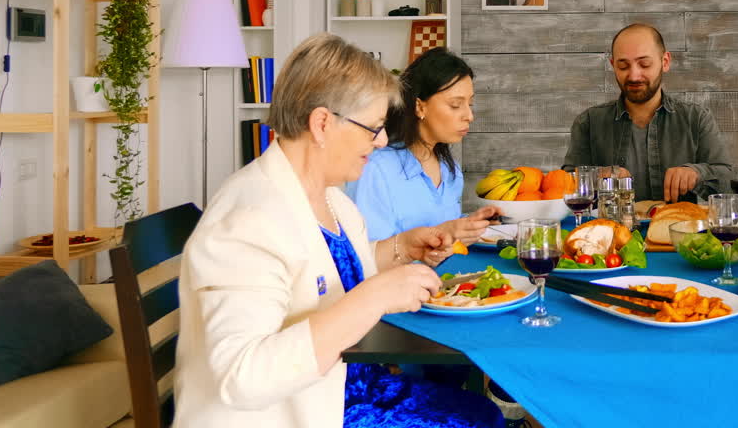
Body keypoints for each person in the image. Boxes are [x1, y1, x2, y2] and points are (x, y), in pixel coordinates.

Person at [174, 33, 503, 428]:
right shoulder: (250, 218)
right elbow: (241, 377)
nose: (381, 141)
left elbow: (334, 271)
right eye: (373, 128)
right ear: (323, 123)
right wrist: (374, 298)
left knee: (479, 410)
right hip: (298, 410)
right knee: (476, 419)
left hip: (342, 386)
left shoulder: (332, 199)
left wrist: (401, 248)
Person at [563, 23, 734, 202]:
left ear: (665, 62)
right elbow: (563, 184)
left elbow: (728, 182)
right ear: (613, 65)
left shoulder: (696, 118)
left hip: (679, 228)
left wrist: (696, 173)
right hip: (612, 229)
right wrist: (599, 175)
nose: (634, 76)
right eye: (623, 66)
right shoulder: (589, 122)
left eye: (644, 64)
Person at [347, 48, 500, 245]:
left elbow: (446, 235)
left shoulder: (449, 168)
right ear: (419, 106)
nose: (469, 116)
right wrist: (442, 231)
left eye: (470, 104)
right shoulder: (373, 169)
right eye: (455, 105)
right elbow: (365, 257)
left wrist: (469, 224)